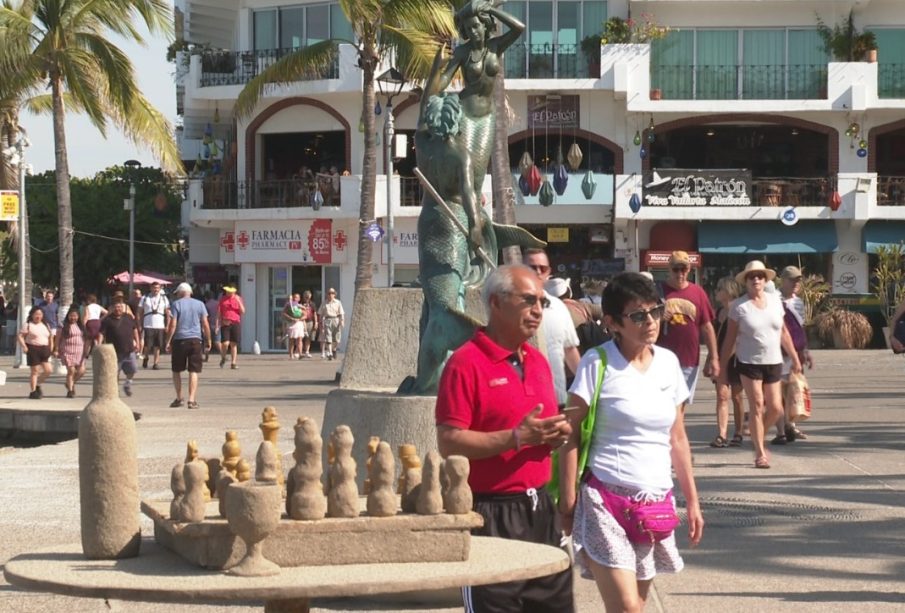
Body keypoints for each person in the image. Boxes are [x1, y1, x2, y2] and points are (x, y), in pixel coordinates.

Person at [559, 273, 703, 612]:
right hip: (604, 501)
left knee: (634, 605)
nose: (650, 322)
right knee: (628, 607)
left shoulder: (668, 364)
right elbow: (570, 432)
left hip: (653, 504)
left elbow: (677, 438)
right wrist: (567, 503)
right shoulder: (597, 362)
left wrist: (693, 502)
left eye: (655, 311)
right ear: (612, 323)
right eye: (638, 315)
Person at [435, 264, 574, 612]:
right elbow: (449, 442)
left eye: (542, 302)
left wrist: (552, 435)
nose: (538, 310)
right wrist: (516, 438)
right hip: (489, 514)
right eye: (528, 300)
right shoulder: (465, 363)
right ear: (496, 303)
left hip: (540, 509)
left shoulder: (539, 362)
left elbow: (535, 431)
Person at [719, 261, 802, 469]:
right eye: (751, 276)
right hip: (749, 362)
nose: (756, 279)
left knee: (774, 408)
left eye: (759, 276)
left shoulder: (775, 302)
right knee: (756, 404)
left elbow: (783, 332)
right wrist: (720, 367)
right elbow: (729, 341)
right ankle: (760, 453)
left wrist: (795, 357)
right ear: (746, 281)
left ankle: (758, 434)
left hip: (774, 360)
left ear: (766, 280)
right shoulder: (738, 307)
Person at [656, 250, 720, 404]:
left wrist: (714, 358)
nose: (680, 273)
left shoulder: (697, 292)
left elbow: (707, 327)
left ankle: (677, 428)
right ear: (669, 269)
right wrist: (658, 317)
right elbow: (642, 321)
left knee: (681, 404)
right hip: (660, 358)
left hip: (688, 358)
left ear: (689, 270)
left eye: (683, 269)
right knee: (662, 402)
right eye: (676, 269)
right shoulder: (657, 291)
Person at [524, 249, 581, 406]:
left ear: (548, 272)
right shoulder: (509, 307)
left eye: (542, 268)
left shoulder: (558, 307)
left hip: (557, 401)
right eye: (532, 267)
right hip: (522, 404)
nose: (537, 272)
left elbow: (570, 350)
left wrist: (590, 389)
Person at [773, 265, 814, 444]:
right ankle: (781, 429)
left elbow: (800, 328)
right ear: (783, 280)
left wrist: (806, 350)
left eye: (798, 280)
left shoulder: (799, 302)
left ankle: (791, 425)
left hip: (796, 352)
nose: (796, 283)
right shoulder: (774, 299)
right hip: (778, 353)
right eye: (792, 280)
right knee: (778, 392)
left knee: (794, 390)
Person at [710, 276, 745, 448]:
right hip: (720, 359)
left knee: (737, 397)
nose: (716, 292)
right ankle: (721, 434)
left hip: (736, 359)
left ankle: (738, 432)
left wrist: (723, 359)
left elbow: (737, 339)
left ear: (728, 291)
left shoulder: (739, 310)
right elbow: (714, 338)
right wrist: (711, 359)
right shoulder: (718, 312)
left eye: (719, 288)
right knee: (722, 396)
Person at [165, 282, 212, 409]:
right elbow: (205, 324)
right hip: (196, 340)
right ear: (190, 292)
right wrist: (209, 340)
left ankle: (179, 398)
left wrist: (168, 341)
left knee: (176, 370)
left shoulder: (176, 304)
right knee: (194, 370)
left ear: (180, 293)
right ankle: (191, 400)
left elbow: (173, 324)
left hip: (180, 340)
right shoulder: (200, 304)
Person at [98, 299, 140, 397]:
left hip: (129, 349)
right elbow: (101, 333)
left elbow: (135, 330)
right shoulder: (107, 320)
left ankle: (127, 384)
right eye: (116, 307)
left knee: (133, 369)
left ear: (123, 308)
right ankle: (114, 391)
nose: (118, 309)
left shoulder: (128, 317)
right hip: (114, 351)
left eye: (120, 307)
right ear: (112, 309)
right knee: (114, 372)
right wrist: (99, 344)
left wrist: (138, 343)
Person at [18, 306, 53, 399]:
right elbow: (20, 336)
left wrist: (51, 347)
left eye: (40, 314)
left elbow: (50, 337)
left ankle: (38, 384)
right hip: (33, 349)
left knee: (48, 370)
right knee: (35, 371)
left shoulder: (45, 324)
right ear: (32, 315)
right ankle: (33, 391)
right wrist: (24, 346)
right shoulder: (28, 324)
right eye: (36, 314)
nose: (38, 316)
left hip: (44, 349)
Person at [55, 305, 89, 398]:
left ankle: (70, 383)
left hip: (80, 352)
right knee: (71, 370)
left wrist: (86, 350)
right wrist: (56, 349)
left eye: (75, 316)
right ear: (68, 316)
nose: (73, 318)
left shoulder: (81, 326)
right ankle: (70, 391)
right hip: (67, 350)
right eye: (71, 315)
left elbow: (86, 339)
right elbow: (57, 339)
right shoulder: (63, 326)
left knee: (81, 371)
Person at [137, 281, 170, 370]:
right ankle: (146, 357)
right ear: (151, 288)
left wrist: (167, 325)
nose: (156, 289)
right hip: (148, 324)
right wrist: (139, 324)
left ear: (160, 289)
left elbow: (167, 312)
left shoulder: (164, 298)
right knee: (147, 345)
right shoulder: (145, 298)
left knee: (157, 345)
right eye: (154, 288)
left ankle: (156, 363)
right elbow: (139, 312)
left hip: (160, 324)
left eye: (157, 288)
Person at [217, 285, 245, 369]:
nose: (228, 293)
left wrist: (238, 301)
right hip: (225, 322)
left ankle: (233, 363)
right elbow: (219, 313)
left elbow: (243, 311)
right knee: (225, 343)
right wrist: (217, 324)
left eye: (230, 292)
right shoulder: (222, 299)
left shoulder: (238, 299)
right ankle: (223, 357)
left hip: (235, 322)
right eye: (227, 291)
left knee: (234, 343)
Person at [318, 288, 344, 360]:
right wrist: (320, 323)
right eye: (329, 293)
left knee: (337, 338)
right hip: (327, 320)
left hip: (336, 319)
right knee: (328, 337)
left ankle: (334, 349)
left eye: (332, 293)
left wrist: (342, 320)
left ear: (334, 294)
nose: (330, 295)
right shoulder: (324, 303)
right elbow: (320, 314)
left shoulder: (338, 302)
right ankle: (330, 353)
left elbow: (341, 313)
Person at [282, 292, 306, 360]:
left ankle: (300, 354)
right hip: (291, 323)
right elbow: (283, 313)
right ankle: (291, 355)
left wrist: (300, 318)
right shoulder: (288, 305)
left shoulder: (300, 306)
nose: (295, 298)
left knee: (300, 339)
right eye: (294, 297)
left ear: (299, 299)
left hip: (299, 323)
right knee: (291, 340)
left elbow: (305, 315)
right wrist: (291, 318)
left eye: (297, 297)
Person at [300, 290, 318, 358]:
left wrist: (316, 322)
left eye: (308, 297)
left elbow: (315, 314)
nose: (307, 298)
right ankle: (299, 351)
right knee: (300, 337)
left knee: (308, 337)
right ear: (303, 296)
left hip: (310, 321)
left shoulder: (312, 304)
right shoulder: (300, 303)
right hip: (302, 321)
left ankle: (307, 351)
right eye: (306, 296)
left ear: (310, 297)